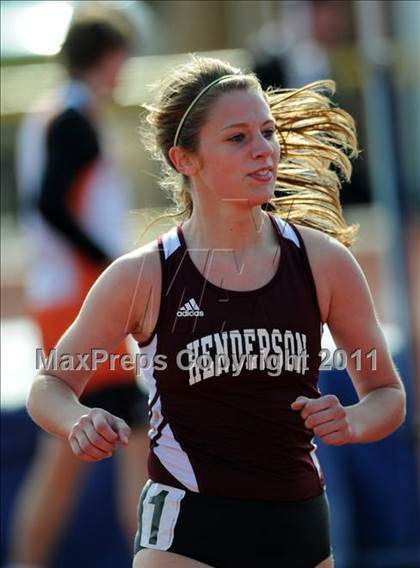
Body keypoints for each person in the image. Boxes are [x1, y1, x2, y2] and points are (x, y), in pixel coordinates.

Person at [25, 55, 406, 568]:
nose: (264, 151)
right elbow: (50, 384)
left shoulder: (323, 263)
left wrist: (355, 420)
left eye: (267, 132)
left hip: (297, 523)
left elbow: (387, 393)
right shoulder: (144, 275)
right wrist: (78, 420)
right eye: (237, 138)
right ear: (186, 159)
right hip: (186, 529)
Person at [8, 18, 149, 568]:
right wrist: (113, 269)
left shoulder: (56, 113)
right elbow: (51, 205)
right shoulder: (71, 119)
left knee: (115, 441)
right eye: (122, 57)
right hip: (83, 302)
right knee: (85, 448)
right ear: (107, 57)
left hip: (68, 299)